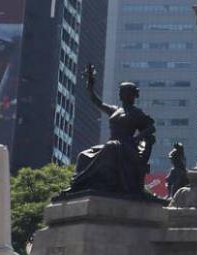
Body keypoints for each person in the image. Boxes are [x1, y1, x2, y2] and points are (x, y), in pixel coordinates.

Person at [67, 66, 157, 198]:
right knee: (83, 155)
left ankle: (103, 183)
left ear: (130, 95)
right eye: (120, 91)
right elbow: (97, 102)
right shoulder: (115, 110)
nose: (120, 94)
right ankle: (78, 184)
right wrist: (90, 86)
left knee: (110, 147)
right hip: (113, 144)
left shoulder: (137, 113)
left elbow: (151, 127)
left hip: (126, 146)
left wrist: (137, 138)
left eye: (123, 91)